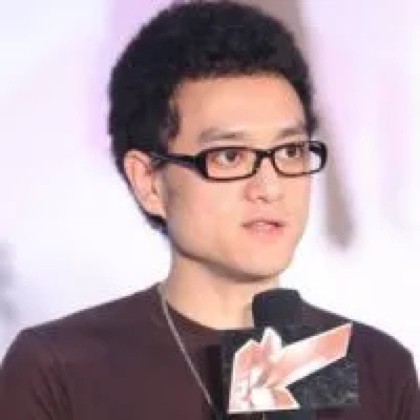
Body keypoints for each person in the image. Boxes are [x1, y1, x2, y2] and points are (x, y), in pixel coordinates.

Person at [0, 1, 419, 419]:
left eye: (290, 151)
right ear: (148, 181)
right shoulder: (59, 370)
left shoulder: (378, 369)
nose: (269, 187)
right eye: (230, 157)